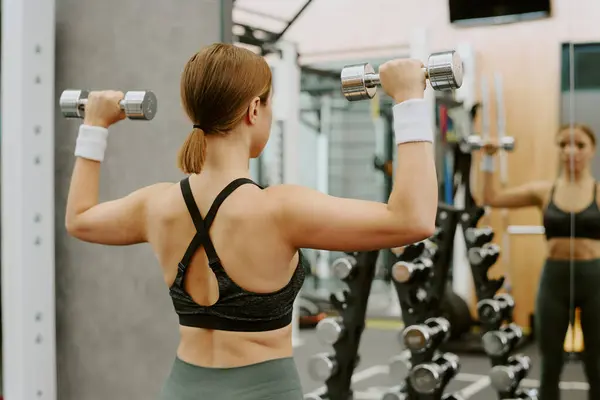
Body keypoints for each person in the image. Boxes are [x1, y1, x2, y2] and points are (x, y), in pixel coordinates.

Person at [64, 43, 438, 400]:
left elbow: (79, 219)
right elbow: (413, 219)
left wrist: (95, 124)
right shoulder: (279, 210)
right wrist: (409, 100)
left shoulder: (155, 205)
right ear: (254, 109)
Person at [479, 124, 600, 400]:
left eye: (579, 145)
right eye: (564, 144)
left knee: (597, 363)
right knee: (551, 364)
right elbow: (491, 198)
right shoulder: (544, 191)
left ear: (591, 150)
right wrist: (488, 157)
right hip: (554, 280)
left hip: (594, 279)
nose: (571, 151)